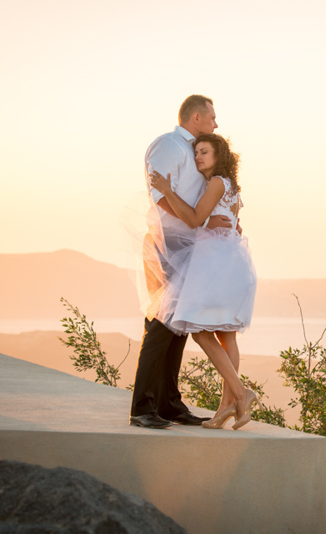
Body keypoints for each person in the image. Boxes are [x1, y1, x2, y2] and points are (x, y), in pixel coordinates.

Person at [129, 95, 232, 429]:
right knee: (161, 324)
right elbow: (160, 195)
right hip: (167, 242)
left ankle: (169, 404)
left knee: (179, 325)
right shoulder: (169, 144)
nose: (216, 123)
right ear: (197, 117)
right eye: (212, 117)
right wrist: (197, 221)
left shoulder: (196, 151)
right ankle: (142, 407)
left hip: (191, 246)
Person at [149, 133, 258, 430]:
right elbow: (228, 222)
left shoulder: (216, 182)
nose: (198, 156)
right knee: (226, 336)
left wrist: (167, 190)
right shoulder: (230, 185)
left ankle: (240, 394)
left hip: (214, 264)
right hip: (230, 263)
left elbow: (194, 219)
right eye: (196, 151)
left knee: (199, 332)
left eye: (204, 152)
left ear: (218, 155)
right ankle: (226, 408)